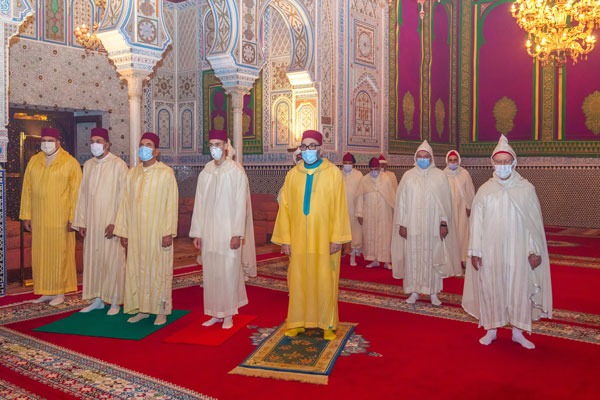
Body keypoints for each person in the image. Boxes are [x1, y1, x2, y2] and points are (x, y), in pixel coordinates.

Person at [462, 135, 552, 349]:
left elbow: (533, 225)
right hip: (491, 251)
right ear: (492, 163)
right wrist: (475, 250)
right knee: (492, 288)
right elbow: (477, 223)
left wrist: (534, 250)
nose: (502, 166)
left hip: (519, 251)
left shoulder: (526, 189)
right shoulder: (485, 190)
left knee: (518, 288)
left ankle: (518, 331)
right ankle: (491, 329)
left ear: (513, 162)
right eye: (498, 161)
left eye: (506, 161)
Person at [272, 129, 351, 340]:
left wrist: (337, 238)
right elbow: (285, 210)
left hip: (325, 238)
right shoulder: (292, 175)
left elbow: (339, 207)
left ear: (320, 148)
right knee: (298, 280)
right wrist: (285, 240)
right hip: (298, 240)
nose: (308, 150)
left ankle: (327, 324)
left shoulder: (333, 173)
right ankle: (298, 321)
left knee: (325, 279)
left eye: (312, 146)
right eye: (304, 146)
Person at [189, 129, 255, 329]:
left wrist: (237, 233)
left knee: (228, 272)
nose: (214, 148)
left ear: (226, 146)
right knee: (211, 273)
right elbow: (199, 203)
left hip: (228, 233)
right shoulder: (206, 171)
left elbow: (239, 205)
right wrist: (197, 232)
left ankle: (228, 314)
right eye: (211, 145)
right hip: (209, 232)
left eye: (218, 144)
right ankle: (214, 312)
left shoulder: (236, 171)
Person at [114, 132, 178, 326]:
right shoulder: (132, 173)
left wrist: (168, 231)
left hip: (157, 232)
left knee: (158, 270)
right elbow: (125, 203)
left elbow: (171, 203)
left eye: (148, 144)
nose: (144, 147)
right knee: (137, 270)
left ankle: (160, 310)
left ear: (156, 151)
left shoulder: (166, 173)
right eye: (142, 144)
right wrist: (123, 231)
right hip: (136, 233)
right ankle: (142, 308)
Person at [392, 140, 460, 306]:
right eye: (420, 156)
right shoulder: (408, 176)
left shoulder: (439, 176)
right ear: (416, 158)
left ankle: (434, 292)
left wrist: (444, 224)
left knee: (432, 256)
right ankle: (414, 291)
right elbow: (401, 202)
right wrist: (402, 223)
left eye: (426, 156)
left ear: (431, 158)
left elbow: (445, 203)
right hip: (412, 224)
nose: (423, 159)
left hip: (433, 226)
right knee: (413, 256)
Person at [20, 127, 82, 306]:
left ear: (58, 142)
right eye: (43, 140)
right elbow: (27, 189)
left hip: (60, 219)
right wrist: (26, 215)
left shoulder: (70, 162)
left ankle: (59, 291)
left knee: (59, 255)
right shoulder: (34, 161)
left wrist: (74, 218)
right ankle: (45, 290)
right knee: (41, 255)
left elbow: (76, 193)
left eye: (50, 140)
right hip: (39, 218)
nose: (46, 144)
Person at [72, 127, 128, 315]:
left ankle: (113, 300)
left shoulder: (118, 165)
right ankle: (97, 298)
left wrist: (117, 223)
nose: (94, 144)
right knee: (93, 260)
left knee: (112, 261)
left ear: (107, 144)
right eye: (92, 141)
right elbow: (82, 195)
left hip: (109, 224)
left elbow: (124, 197)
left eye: (98, 141)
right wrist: (81, 221)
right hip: (92, 223)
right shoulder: (88, 165)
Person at [356, 157, 395, 269]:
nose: (374, 172)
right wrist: (359, 214)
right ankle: (374, 259)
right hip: (369, 213)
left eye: (376, 169)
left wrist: (394, 211)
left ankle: (387, 261)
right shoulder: (364, 180)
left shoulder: (386, 179)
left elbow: (391, 196)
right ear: (369, 169)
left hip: (384, 213)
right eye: (372, 169)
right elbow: (359, 197)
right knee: (371, 235)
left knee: (385, 236)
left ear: (379, 168)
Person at [443, 150, 476, 269]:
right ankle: (451, 260)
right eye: (450, 160)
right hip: (449, 210)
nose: (453, 162)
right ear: (447, 161)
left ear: (458, 161)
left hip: (462, 209)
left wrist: (469, 206)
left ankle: (463, 259)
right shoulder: (443, 175)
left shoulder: (464, 174)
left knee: (463, 233)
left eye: (455, 160)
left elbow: (470, 191)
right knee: (451, 234)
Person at [341, 152, 363, 266]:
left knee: (355, 234)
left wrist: (360, 211)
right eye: (345, 163)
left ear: (353, 164)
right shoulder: (339, 175)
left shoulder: (359, 175)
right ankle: (344, 252)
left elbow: (361, 194)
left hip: (355, 209)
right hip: (342, 210)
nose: (347, 165)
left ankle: (353, 257)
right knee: (343, 232)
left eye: (349, 163)